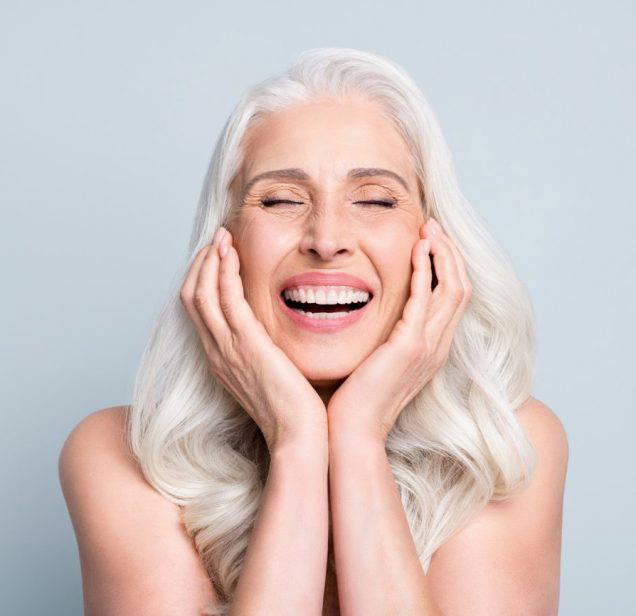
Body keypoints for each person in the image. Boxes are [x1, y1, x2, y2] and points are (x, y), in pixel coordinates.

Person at [58, 47, 569, 616]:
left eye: (374, 199)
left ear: (432, 245)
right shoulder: (119, 457)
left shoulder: (506, 446)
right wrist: (298, 442)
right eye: (280, 199)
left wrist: (357, 436)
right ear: (224, 244)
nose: (326, 239)